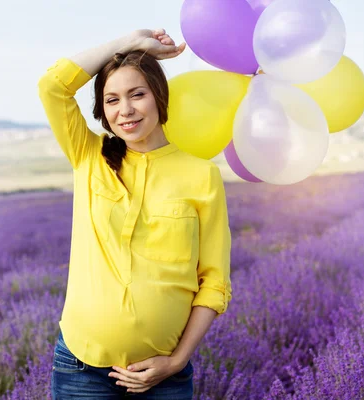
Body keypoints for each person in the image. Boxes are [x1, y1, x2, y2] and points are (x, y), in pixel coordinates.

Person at [37, 28, 232, 399]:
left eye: (137, 94)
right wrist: (126, 45)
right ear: (103, 111)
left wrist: (176, 362)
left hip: (164, 379)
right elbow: (52, 86)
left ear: (159, 96)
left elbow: (215, 283)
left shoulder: (202, 175)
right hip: (81, 371)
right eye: (111, 100)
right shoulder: (88, 156)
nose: (124, 110)